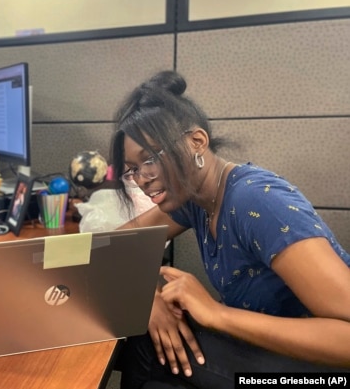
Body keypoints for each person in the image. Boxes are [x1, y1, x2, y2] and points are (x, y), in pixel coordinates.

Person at [111, 70, 350, 388]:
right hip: (270, 351)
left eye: (150, 159)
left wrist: (216, 314)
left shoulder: (257, 202)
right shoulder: (193, 198)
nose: (142, 178)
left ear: (197, 142)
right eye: (132, 170)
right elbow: (116, 246)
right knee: (154, 352)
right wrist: (149, 299)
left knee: (146, 351)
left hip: (323, 372)